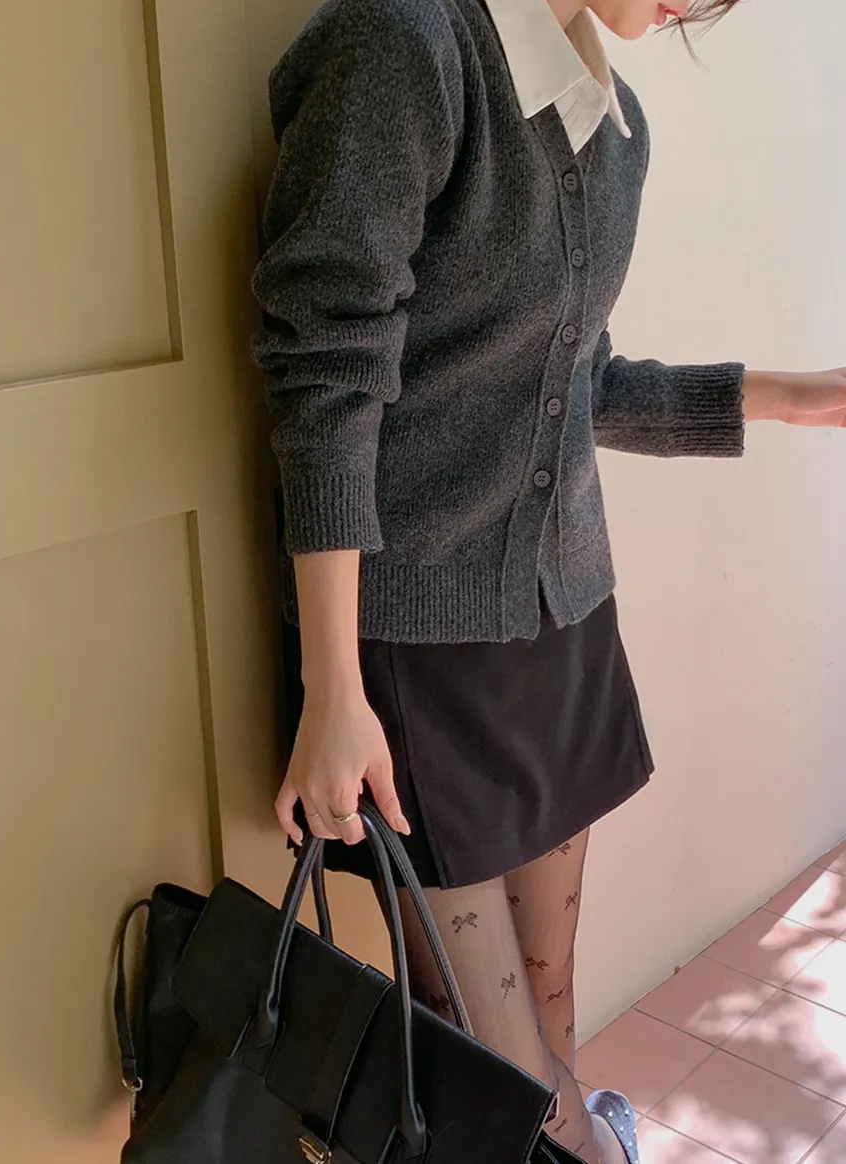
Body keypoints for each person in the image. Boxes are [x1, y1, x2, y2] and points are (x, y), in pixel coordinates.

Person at [251, 1, 846, 1160]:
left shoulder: (614, 124)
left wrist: (792, 396)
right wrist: (332, 684)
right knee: (493, 1057)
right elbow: (322, 371)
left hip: (559, 619)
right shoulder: (407, 44)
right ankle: (589, 1150)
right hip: (416, 643)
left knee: (549, 991)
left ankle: (573, 1145)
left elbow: (574, 385)